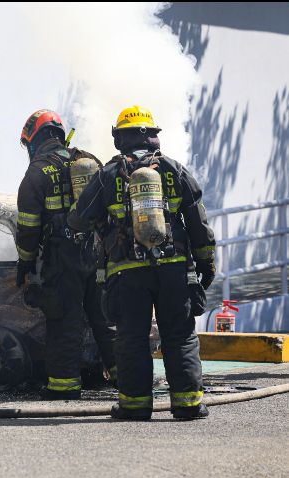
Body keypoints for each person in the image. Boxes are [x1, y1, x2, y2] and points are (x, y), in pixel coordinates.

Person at [68, 106, 216, 420]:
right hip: (175, 267)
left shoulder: (108, 174)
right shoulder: (174, 169)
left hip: (126, 271)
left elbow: (80, 219)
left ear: (119, 137)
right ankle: (188, 404)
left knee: (131, 337)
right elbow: (197, 221)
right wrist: (206, 263)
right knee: (180, 335)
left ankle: (135, 406)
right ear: (151, 137)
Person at [15, 109, 117, 401]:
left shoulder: (36, 172)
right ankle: (129, 379)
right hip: (98, 254)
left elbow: (29, 227)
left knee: (64, 321)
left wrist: (25, 262)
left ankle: (64, 386)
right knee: (106, 320)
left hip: (62, 259)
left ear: (33, 140)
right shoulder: (90, 160)